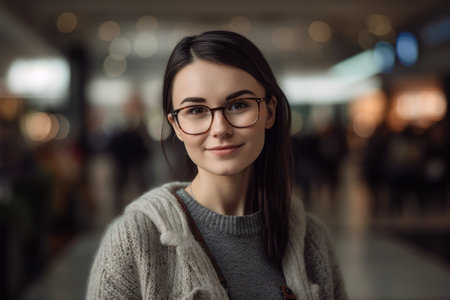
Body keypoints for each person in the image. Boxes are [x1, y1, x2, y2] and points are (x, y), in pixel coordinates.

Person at [87, 30, 347, 300]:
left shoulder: (310, 239)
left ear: (269, 111)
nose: (220, 129)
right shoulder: (133, 239)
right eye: (196, 111)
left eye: (238, 105)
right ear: (176, 125)